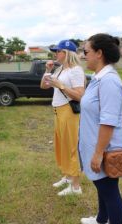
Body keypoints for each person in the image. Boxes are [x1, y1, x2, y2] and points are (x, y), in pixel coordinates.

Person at [79, 33, 122, 224]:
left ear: (99, 53)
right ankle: (101, 220)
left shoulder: (109, 81)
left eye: (86, 51)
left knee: (110, 191)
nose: (83, 56)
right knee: (102, 186)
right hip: (95, 145)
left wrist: (98, 153)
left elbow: (108, 121)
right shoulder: (99, 79)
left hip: (105, 148)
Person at [40, 40, 85, 196]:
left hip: (69, 111)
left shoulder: (76, 70)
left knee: (71, 146)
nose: (55, 54)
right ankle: (67, 176)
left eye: (58, 51)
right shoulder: (59, 70)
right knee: (62, 145)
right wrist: (47, 71)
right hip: (58, 110)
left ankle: (76, 186)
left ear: (66, 53)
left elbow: (80, 95)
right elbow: (44, 86)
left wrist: (61, 86)